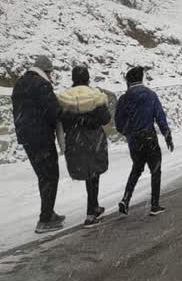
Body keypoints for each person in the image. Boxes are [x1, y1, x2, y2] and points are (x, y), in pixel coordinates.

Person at [11, 55, 65, 233]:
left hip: (27, 138)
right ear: (46, 71)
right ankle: (44, 220)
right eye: (50, 73)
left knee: (43, 176)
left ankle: (49, 213)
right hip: (41, 137)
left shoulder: (20, 83)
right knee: (50, 176)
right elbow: (53, 111)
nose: (50, 77)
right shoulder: (41, 85)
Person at [115, 66, 173, 216]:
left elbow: (119, 123)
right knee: (155, 169)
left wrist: (129, 133)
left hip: (134, 141)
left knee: (136, 168)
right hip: (149, 137)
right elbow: (160, 116)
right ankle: (154, 205)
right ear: (141, 79)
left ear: (128, 81)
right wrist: (167, 135)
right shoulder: (150, 95)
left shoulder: (123, 98)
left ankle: (126, 199)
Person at [57, 65, 111, 228]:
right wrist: (89, 120)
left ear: (73, 79)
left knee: (88, 174)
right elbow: (105, 118)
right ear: (87, 78)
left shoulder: (65, 98)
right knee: (94, 175)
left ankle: (94, 206)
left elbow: (62, 121)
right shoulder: (95, 95)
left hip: (75, 141)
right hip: (93, 139)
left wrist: (77, 121)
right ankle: (90, 214)